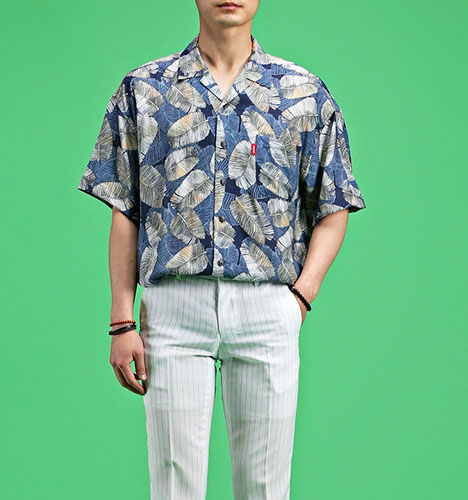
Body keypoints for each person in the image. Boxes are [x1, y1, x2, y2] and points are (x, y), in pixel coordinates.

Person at [77, 1, 366, 498]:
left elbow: (333, 204)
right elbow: (125, 208)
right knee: (174, 486)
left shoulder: (302, 93)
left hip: (267, 308)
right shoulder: (145, 89)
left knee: (265, 487)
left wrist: (301, 297)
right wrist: (121, 321)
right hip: (173, 310)